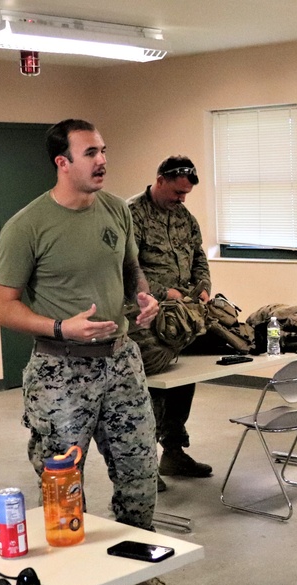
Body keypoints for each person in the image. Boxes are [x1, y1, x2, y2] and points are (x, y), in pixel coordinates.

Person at [0, 119, 184, 585]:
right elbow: (4, 308)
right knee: (63, 487)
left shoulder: (116, 209)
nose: (102, 160)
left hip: (122, 363)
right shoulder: (26, 226)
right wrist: (60, 326)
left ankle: (135, 569)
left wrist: (141, 297)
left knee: (140, 474)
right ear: (63, 162)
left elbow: (129, 268)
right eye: (91, 153)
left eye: (104, 150)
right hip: (60, 372)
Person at [128, 156, 213, 483]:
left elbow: (199, 257)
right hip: (146, 318)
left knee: (184, 380)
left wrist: (203, 287)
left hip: (183, 318)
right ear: (160, 179)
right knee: (153, 389)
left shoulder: (184, 217)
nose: (181, 198)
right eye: (177, 191)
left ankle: (174, 453)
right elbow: (127, 269)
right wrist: (166, 293)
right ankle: (143, 467)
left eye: (186, 194)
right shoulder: (132, 214)